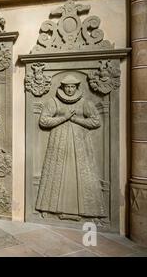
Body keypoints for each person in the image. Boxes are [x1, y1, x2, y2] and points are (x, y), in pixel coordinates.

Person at [35, 75, 105, 220]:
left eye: (73, 87)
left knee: (81, 172)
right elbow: (44, 121)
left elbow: (96, 121)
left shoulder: (85, 102)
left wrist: (75, 119)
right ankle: (49, 208)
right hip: (58, 142)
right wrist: (63, 118)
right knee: (56, 172)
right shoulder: (53, 101)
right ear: (62, 87)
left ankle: (88, 211)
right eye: (67, 86)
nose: (70, 89)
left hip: (80, 143)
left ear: (77, 87)